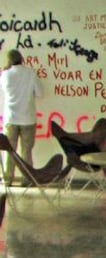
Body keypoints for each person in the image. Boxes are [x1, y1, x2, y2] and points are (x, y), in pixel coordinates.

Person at [0, 49, 42, 186]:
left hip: (11, 118)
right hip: (28, 118)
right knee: (26, 151)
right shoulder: (30, 73)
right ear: (21, 59)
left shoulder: (5, 75)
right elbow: (40, 92)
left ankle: (8, 179)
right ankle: (27, 180)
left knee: (10, 151)